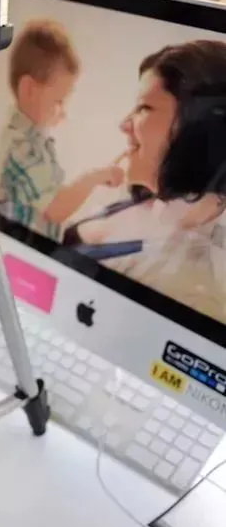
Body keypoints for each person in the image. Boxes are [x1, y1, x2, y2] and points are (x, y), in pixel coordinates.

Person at [63, 39, 226, 322]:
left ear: (197, 128)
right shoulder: (142, 195)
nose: (124, 124)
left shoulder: (190, 283)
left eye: (144, 108)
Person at [0, 19, 124, 240]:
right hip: (15, 244)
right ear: (29, 90)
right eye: (58, 101)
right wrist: (95, 177)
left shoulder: (35, 139)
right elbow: (55, 209)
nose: (62, 112)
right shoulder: (22, 145)